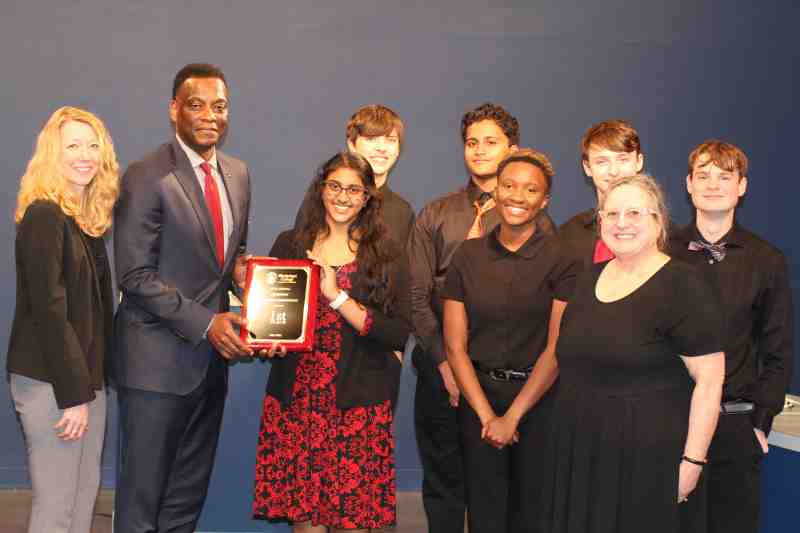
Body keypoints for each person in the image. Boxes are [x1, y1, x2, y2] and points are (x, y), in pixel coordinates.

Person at [541, 174, 725, 533]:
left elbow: (710, 380)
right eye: (611, 214)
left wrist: (692, 461)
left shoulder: (683, 285)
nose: (621, 223)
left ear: (659, 222)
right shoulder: (585, 280)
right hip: (579, 454)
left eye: (635, 213)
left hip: (648, 462)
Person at [112, 63, 253, 533]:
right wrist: (208, 323)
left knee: (183, 504)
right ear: (174, 110)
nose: (210, 115)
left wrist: (245, 273)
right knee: (141, 507)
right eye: (197, 104)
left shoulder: (237, 174)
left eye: (220, 106)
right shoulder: (145, 176)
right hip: (154, 369)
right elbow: (134, 274)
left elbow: (228, 256)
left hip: (210, 370)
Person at [408, 102, 554, 533]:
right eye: (471, 142)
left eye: (491, 142)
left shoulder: (535, 220)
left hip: (505, 379)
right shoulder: (436, 213)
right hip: (441, 372)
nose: (479, 151)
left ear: (512, 147)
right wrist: (445, 362)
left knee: (502, 493)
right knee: (444, 484)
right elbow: (416, 296)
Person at [252, 152, 410, 532]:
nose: (343, 196)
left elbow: (396, 332)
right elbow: (273, 322)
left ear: (367, 196)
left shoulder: (386, 254)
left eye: (354, 189)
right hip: (298, 403)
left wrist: (337, 296)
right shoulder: (290, 244)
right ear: (321, 189)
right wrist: (269, 342)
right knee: (304, 522)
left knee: (352, 522)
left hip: (356, 409)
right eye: (335, 186)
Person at [441, 149, 577, 533]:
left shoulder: (562, 258)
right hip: (477, 399)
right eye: (509, 186)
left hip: (539, 404)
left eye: (531, 189)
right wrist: (487, 417)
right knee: (483, 514)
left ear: (545, 200)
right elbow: (455, 347)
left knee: (532, 515)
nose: (518, 196)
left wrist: (513, 417)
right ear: (495, 193)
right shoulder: (467, 256)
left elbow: (557, 348)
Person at [669, 140, 794, 533]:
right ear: (688, 185)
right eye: (702, 175)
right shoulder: (661, 252)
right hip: (669, 423)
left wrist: (760, 422)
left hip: (735, 428)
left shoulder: (766, 260)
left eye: (725, 176)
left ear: (742, 186)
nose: (712, 184)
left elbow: (779, 350)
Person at [7, 106, 118, 533]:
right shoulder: (44, 215)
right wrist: (74, 396)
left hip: (85, 384)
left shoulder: (84, 222)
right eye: (73, 145)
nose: (85, 155)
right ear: (53, 154)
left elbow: (93, 316)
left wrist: (92, 387)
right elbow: (50, 313)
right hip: (52, 385)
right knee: (56, 513)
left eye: (93, 146)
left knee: (80, 505)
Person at [294, 104, 414, 247]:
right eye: (371, 139)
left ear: (398, 149)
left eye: (390, 140)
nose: (382, 148)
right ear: (351, 144)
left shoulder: (402, 211)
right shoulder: (324, 199)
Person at [559, 119, 644, 265]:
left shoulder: (666, 235)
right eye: (602, 162)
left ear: (639, 162)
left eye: (623, 159)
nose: (614, 171)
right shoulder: (568, 235)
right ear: (587, 168)